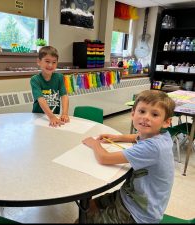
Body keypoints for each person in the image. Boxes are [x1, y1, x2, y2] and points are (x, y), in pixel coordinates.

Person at [80, 89, 176, 223]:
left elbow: (104, 158)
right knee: (88, 207)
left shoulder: (153, 147)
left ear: (166, 122)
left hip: (137, 214)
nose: (146, 117)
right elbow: (138, 136)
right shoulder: (161, 136)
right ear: (133, 113)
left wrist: (94, 143)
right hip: (129, 196)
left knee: (82, 219)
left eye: (154, 114)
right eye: (142, 111)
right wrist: (117, 137)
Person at [30, 46, 70, 127]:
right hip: (39, 117)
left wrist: (65, 113)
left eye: (54, 62)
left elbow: (64, 96)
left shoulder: (59, 77)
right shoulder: (35, 80)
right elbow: (41, 100)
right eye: (47, 61)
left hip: (55, 116)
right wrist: (51, 117)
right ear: (39, 61)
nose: (50, 65)